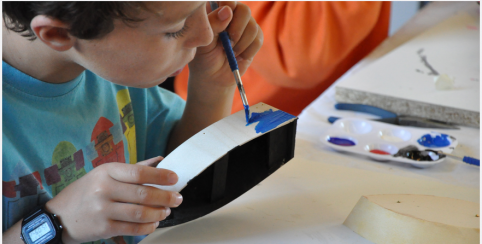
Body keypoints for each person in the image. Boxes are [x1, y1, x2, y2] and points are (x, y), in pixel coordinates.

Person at [2, 2, 262, 244]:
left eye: (205, 5)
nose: (205, 35)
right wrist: (58, 221)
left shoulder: (111, 67)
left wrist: (212, 87)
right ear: (57, 34)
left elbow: (180, 181)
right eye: (176, 29)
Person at [174, 1, 390, 116]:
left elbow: (301, 55)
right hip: (204, 102)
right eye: (172, 30)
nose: (202, 35)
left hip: (299, 117)